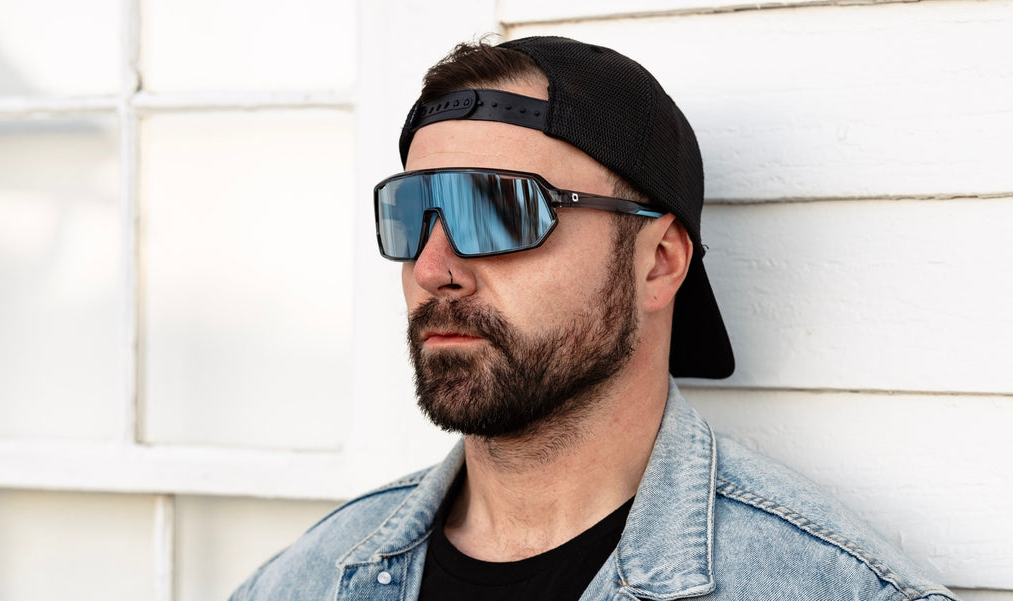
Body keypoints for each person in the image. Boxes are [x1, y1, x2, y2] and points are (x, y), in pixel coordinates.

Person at [230, 36, 958, 601]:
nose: (432, 268)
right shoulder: (308, 578)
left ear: (659, 262)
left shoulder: (836, 586)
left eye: (495, 207)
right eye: (411, 216)